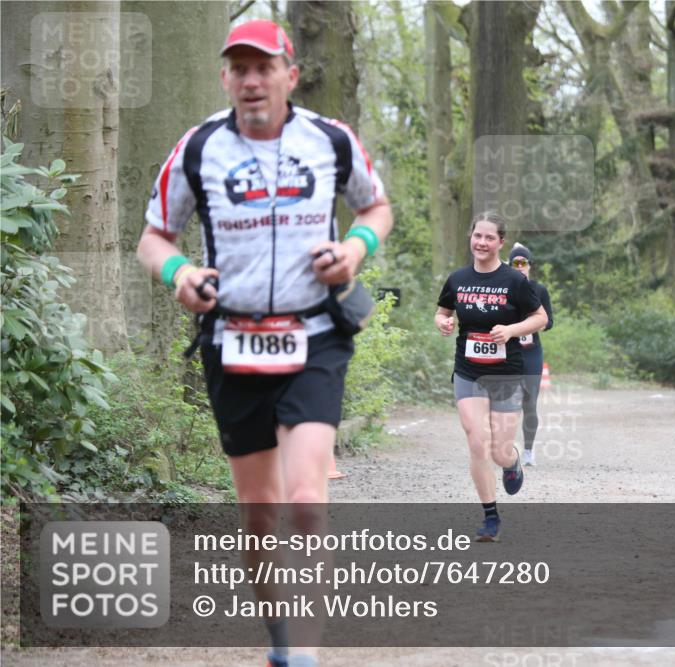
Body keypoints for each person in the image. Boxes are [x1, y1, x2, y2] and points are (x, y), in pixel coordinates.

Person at [135, 19, 392, 667]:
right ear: (225, 77)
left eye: (264, 67)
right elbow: (153, 238)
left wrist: (354, 251)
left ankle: (305, 648)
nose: (252, 80)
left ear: (290, 74)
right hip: (233, 341)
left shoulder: (330, 141)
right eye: (239, 68)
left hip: (314, 335)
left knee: (306, 500)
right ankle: (280, 640)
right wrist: (181, 274)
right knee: (259, 514)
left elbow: (377, 208)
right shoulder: (197, 149)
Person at [435, 213, 548, 542]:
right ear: (470, 237)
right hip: (468, 370)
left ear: (500, 242)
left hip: (506, 374)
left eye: (489, 238)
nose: (481, 243)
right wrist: (441, 323)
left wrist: (511, 329)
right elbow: (443, 311)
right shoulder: (457, 279)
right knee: (476, 441)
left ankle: (512, 462)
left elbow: (539, 317)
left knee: (499, 451)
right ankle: (490, 517)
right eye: (477, 236)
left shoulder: (515, 281)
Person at [507, 243, 553, 466]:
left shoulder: (539, 290)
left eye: (522, 262)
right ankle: (503, 448)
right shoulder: (503, 288)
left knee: (529, 404)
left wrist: (531, 325)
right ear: (509, 265)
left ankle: (528, 451)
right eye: (514, 262)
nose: (519, 266)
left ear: (529, 266)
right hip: (507, 352)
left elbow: (549, 322)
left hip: (531, 353)